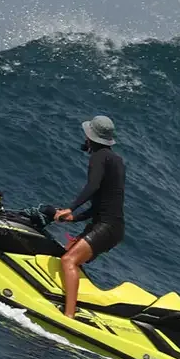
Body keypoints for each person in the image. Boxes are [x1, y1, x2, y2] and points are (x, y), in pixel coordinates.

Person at [50, 114, 125, 320]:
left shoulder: (98, 158)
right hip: (110, 226)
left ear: (90, 137)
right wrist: (76, 218)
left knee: (68, 261)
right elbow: (104, 201)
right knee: (66, 254)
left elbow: (93, 187)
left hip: (106, 227)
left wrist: (69, 208)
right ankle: (68, 301)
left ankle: (69, 316)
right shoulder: (116, 161)